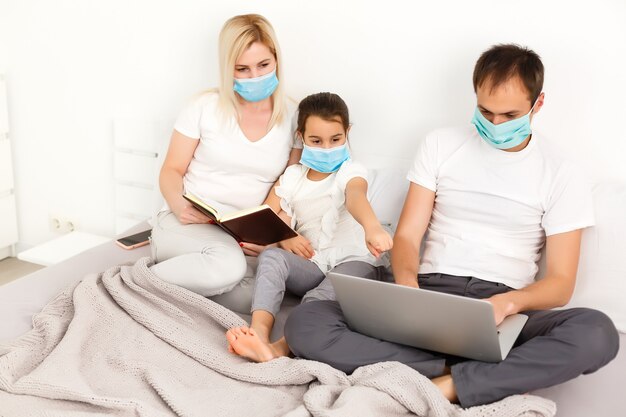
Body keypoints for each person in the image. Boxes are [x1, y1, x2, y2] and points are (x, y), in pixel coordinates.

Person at [281, 44, 620, 407]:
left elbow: (560, 284)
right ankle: (463, 373)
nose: (495, 124)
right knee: (306, 322)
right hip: (430, 288)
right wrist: (409, 291)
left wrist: (507, 304)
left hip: (502, 306)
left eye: (509, 115)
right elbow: (409, 236)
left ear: (537, 105)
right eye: (485, 111)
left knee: (597, 332)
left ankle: (443, 383)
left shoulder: (562, 172)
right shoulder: (441, 144)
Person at [225, 92, 393, 362]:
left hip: (354, 260)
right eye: (316, 141)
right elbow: (267, 216)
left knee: (320, 295)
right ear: (301, 137)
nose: (327, 148)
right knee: (271, 258)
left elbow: (356, 198)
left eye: (335, 139)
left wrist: (372, 227)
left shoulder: (351, 171)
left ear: (347, 133)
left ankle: (279, 349)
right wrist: (284, 238)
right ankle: (258, 333)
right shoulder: (293, 177)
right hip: (313, 262)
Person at [149, 14, 301, 311]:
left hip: (240, 236)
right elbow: (171, 170)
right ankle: (141, 281)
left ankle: (185, 281)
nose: (254, 76)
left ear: (276, 61)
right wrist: (180, 207)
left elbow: (288, 185)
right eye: (242, 69)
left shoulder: (294, 116)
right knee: (229, 269)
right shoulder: (203, 107)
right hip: (189, 223)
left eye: (263, 65)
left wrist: (269, 237)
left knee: (255, 296)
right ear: (227, 69)